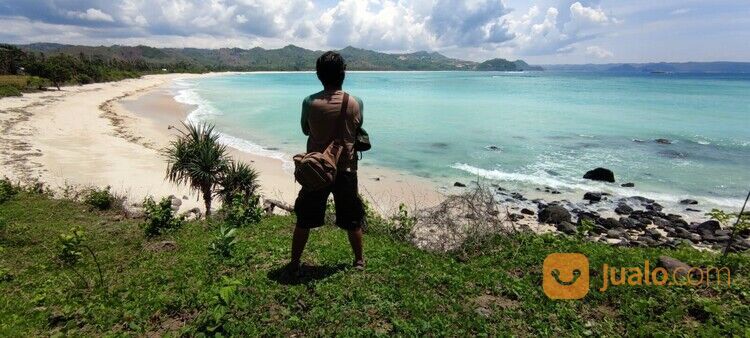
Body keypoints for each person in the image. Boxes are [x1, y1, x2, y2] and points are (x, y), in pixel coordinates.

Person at [289, 51, 366, 276]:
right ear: (343, 74)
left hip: (316, 169)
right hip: (346, 169)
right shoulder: (355, 102)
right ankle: (359, 260)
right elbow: (358, 127)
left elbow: (305, 129)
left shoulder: (309, 102)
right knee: (352, 218)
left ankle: (295, 262)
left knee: (304, 218)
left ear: (318, 76)